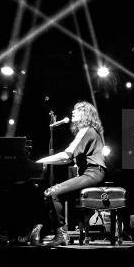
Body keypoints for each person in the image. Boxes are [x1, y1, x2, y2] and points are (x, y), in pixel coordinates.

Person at [22, 101, 107, 247]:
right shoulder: (87, 131)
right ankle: (41, 229)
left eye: (78, 110)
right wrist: (44, 162)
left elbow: (66, 156)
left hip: (93, 173)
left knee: (52, 193)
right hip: (90, 174)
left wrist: (38, 161)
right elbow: (65, 160)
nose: (73, 112)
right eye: (73, 109)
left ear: (86, 114)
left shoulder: (86, 130)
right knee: (48, 194)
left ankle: (61, 234)